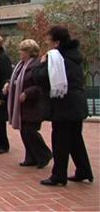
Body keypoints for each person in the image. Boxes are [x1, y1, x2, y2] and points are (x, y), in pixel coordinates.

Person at [33, 26, 94, 186]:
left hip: (63, 106)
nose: (47, 42)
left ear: (57, 42)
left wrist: (41, 63)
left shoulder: (55, 58)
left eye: (49, 40)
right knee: (75, 139)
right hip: (76, 104)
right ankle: (84, 170)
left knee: (60, 141)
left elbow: (41, 77)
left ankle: (58, 175)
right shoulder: (74, 56)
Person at [5, 39, 51, 169]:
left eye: (22, 50)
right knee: (24, 132)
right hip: (22, 105)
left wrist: (27, 93)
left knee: (30, 131)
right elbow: (17, 80)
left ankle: (44, 154)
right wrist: (9, 84)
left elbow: (40, 85)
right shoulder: (20, 66)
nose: (20, 52)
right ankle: (31, 157)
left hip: (34, 105)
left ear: (29, 52)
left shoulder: (36, 65)